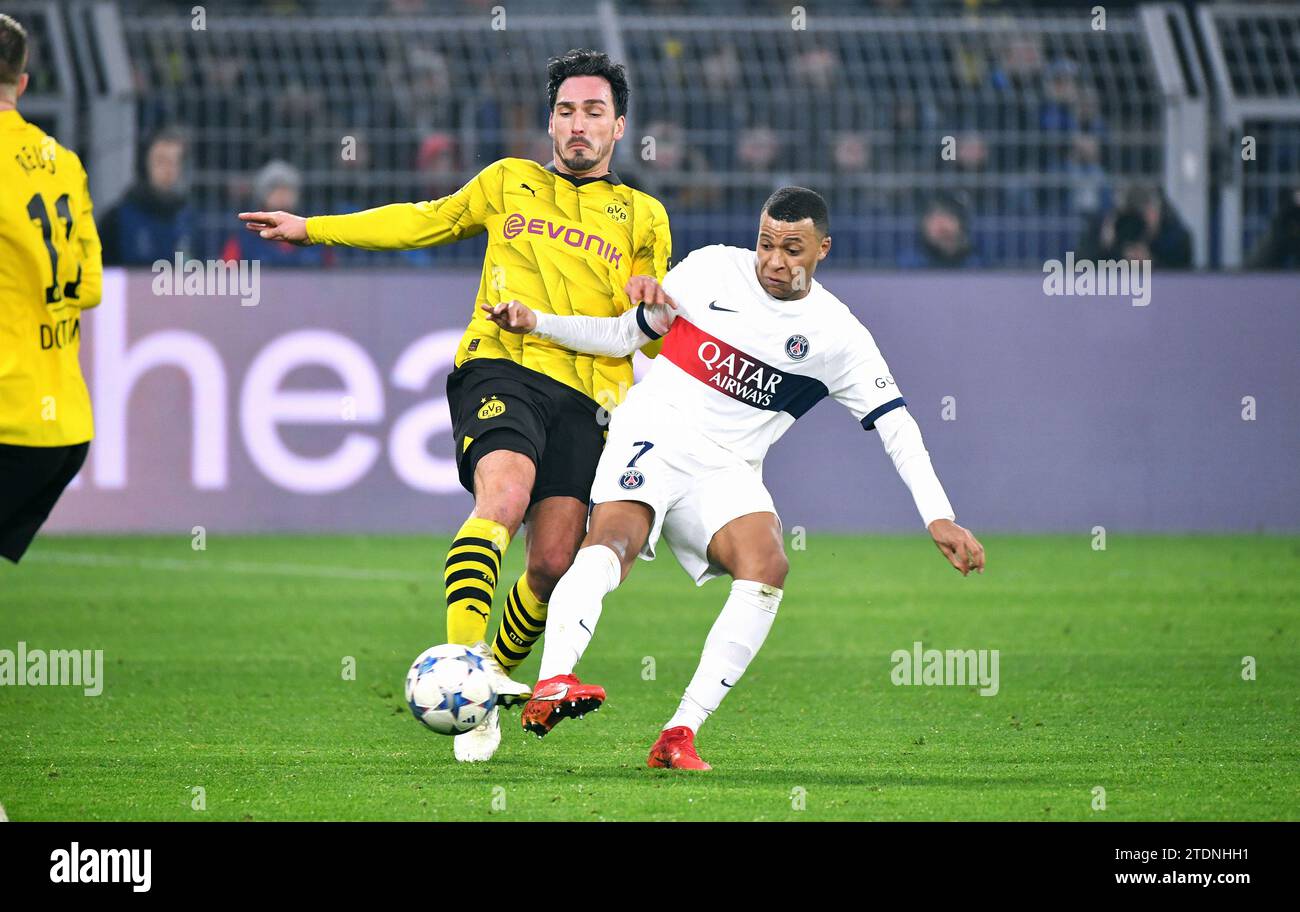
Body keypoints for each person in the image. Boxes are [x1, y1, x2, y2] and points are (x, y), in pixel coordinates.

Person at [237, 49, 673, 762]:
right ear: (551, 120)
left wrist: (654, 304)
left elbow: (645, 331)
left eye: (594, 112)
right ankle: (463, 672)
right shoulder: (508, 182)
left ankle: (493, 677)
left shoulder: (644, 216)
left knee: (555, 560)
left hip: (592, 393)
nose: (578, 126)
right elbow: (424, 220)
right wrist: (314, 227)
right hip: (501, 365)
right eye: (566, 111)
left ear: (619, 126)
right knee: (502, 498)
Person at [485, 187, 985, 770]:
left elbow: (896, 424)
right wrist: (537, 322)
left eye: (792, 249)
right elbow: (625, 336)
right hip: (656, 430)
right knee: (613, 542)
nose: (775, 260)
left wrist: (937, 513)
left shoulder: (838, 337)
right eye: (766, 244)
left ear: (823, 248)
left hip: (726, 467)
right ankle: (554, 681)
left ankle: (679, 733)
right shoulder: (711, 271)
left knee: (768, 565)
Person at [0, 13, 103, 563]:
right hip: (63, 423)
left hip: (8, 414)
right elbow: (87, 288)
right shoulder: (63, 163)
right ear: (22, 83)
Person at [99, 127, 195, 265]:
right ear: (145, 164)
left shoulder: (190, 220)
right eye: (161, 161)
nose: (168, 169)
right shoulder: (116, 220)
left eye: (175, 161)